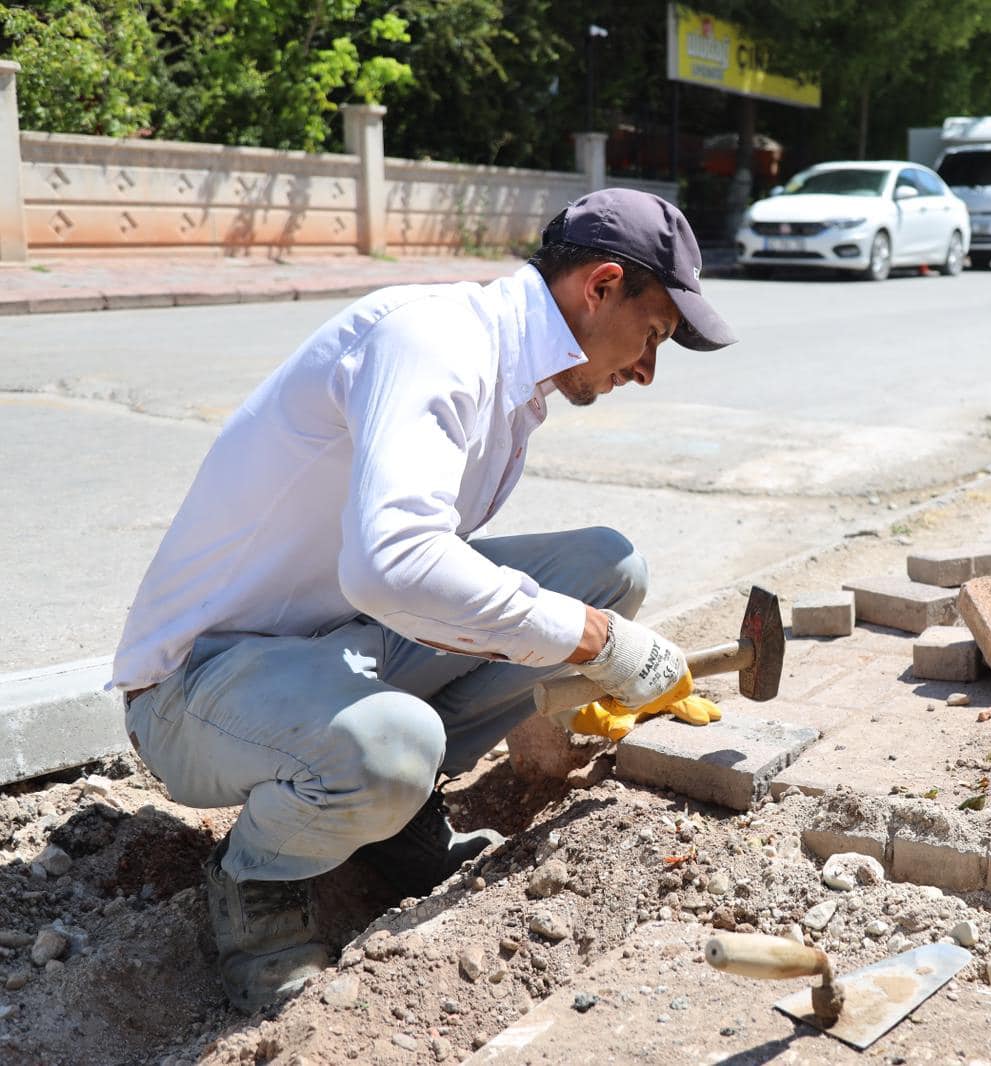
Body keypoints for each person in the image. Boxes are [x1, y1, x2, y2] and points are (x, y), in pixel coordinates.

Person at [111, 188, 737, 1010]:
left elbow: (405, 582)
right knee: (399, 741)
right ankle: (258, 883)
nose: (648, 371)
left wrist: (577, 636)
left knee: (607, 567)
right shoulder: (435, 342)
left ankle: (391, 816)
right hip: (199, 686)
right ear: (602, 285)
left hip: (336, 641)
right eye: (652, 336)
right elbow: (392, 566)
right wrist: (593, 642)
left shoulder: (513, 376)